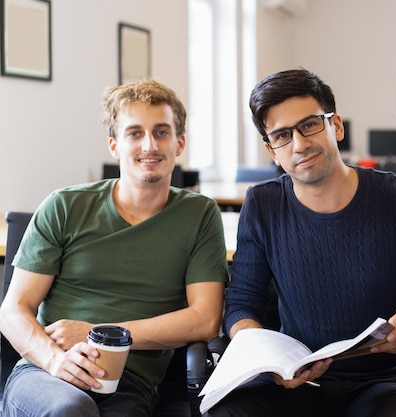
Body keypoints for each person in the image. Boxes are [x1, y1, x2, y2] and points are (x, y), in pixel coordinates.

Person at [205, 68, 396, 417]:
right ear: (272, 150)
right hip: (296, 384)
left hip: (383, 383)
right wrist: (269, 361)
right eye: (282, 135)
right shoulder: (263, 204)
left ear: (336, 126)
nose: (299, 144)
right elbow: (240, 307)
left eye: (309, 125)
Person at [0, 79, 229, 416]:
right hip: (46, 373)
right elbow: (13, 310)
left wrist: (98, 333)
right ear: (114, 145)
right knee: (70, 408)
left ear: (179, 143)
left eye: (161, 132)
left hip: (130, 382)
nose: (149, 145)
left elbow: (204, 320)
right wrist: (54, 360)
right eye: (134, 133)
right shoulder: (65, 205)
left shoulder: (200, 215)